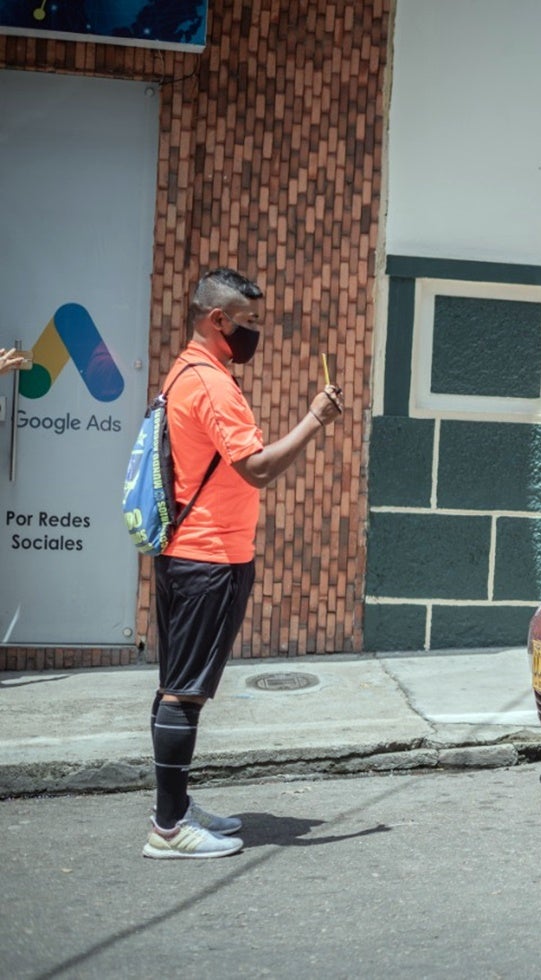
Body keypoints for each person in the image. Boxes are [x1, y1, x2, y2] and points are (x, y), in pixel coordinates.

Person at [144, 268, 344, 860]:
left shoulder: (185, 369)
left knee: (175, 686)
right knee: (185, 692)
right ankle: (168, 828)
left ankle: (175, 807)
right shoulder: (211, 383)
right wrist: (314, 420)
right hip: (210, 557)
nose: (256, 333)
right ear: (217, 320)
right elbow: (254, 467)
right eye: (248, 322)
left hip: (188, 551)